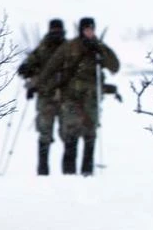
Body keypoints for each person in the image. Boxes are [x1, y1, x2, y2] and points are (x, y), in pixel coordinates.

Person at [35, 17, 120, 176]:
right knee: (71, 135)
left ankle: (87, 171)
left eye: (91, 29)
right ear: (81, 29)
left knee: (90, 134)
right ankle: (69, 173)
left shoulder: (99, 47)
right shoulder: (70, 47)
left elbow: (115, 66)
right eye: (86, 29)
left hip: (91, 99)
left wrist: (99, 48)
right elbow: (52, 66)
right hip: (71, 98)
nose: (89, 32)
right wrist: (38, 85)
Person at [17, 19, 67, 175]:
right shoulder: (42, 48)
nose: (56, 33)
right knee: (44, 132)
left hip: (66, 97)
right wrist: (26, 70)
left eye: (58, 30)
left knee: (68, 133)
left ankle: (69, 171)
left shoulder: (69, 48)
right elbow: (30, 65)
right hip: (46, 96)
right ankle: (43, 169)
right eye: (54, 30)